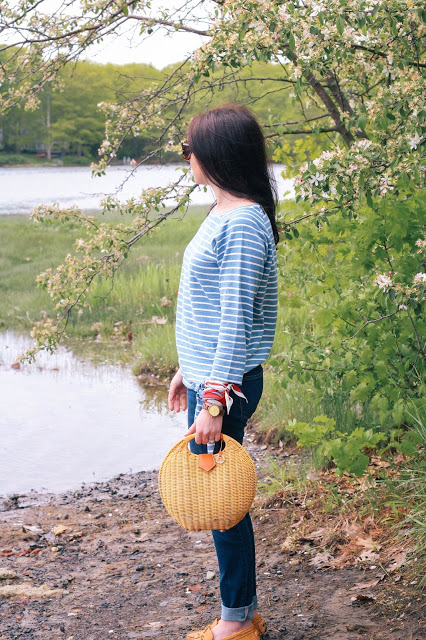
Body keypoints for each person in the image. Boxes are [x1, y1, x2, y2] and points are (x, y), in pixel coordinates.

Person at [168, 103, 279, 640]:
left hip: (224, 387)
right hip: (211, 377)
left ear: (214, 155)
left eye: (188, 149)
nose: (186, 158)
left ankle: (236, 622)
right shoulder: (226, 213)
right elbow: (207, 308)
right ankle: (243, 611)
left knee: (222, 504)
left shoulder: (240, 224)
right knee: (221, 498)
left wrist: (212, 400)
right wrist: (185, 370)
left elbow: (235, 321)